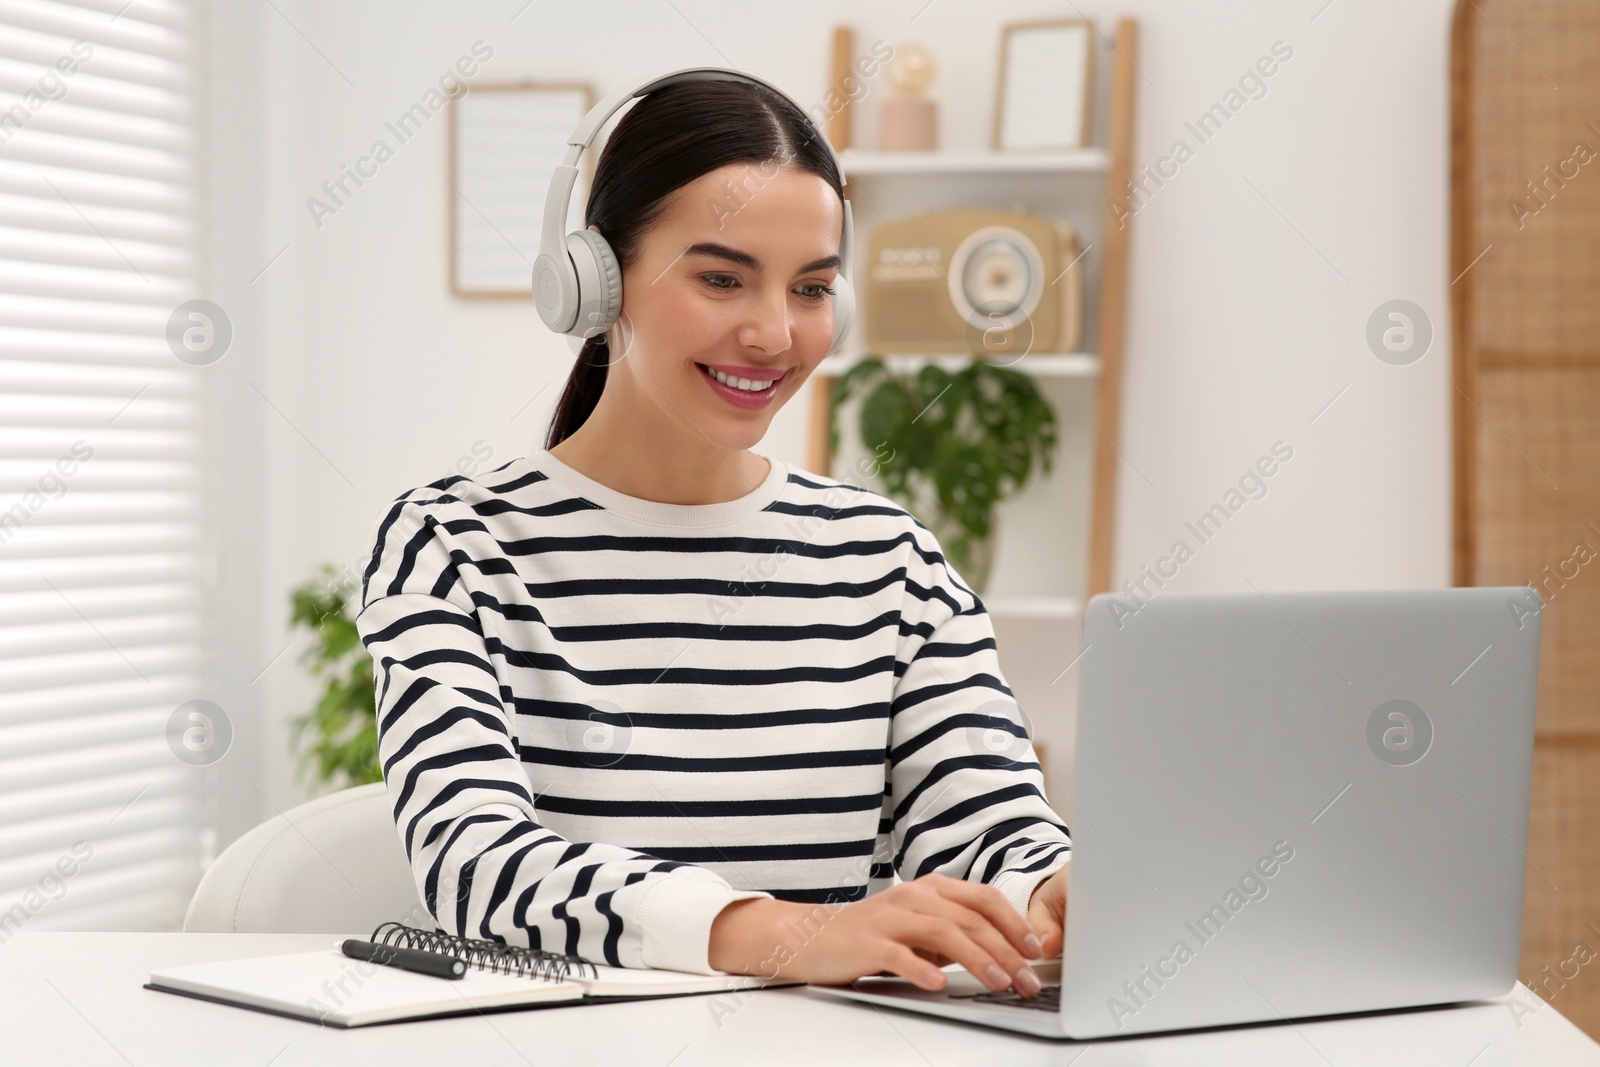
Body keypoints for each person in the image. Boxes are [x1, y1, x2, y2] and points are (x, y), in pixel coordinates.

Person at [356, 74, 1071, 1000]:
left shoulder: (889, 561)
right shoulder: (452, 544)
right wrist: (780, 932)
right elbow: (477, 864)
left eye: (811, 288)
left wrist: (1056, 890)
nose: (774, 333)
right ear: (594, 280)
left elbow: (989, 827)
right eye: (721, 277)